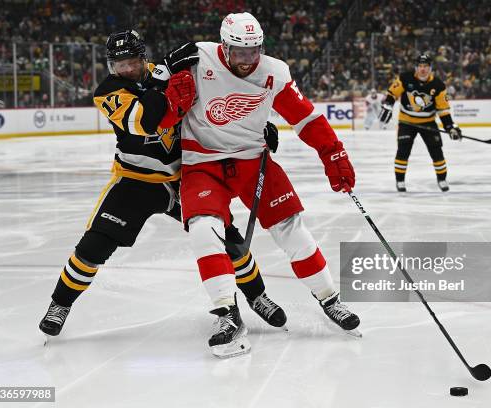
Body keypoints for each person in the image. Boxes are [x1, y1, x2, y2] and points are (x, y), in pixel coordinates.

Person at [38, 29, 286, 338]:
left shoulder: (171, 74)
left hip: (185, 178)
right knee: (94, 246)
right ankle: (59, 304)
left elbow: (218, 107)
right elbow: (145, 120)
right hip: (136, 181)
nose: (126, 70)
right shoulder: (109, 90)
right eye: (119, 65)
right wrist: (161, 80)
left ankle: (258, 296)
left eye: (131, 62)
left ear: (143, 58)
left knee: (229, 242)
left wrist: (258, 127)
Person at [165, 12, 361, 357]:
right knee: (204, 228)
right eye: (239, 53)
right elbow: (154, 101)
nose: (247, 61)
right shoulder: (197, 58)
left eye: (253, 52)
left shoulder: (274, 71)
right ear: (223, 46)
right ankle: (225, 311)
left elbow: (306, 117)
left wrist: (333, 153)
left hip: (254, 160)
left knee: (291, 228)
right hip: (201, 162)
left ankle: (329, 298)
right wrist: (168, 92)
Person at [378, 53, 462, 192]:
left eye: (426, 66)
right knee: (403, 151)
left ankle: (442, 179)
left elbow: (443, 110)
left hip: (428, 122)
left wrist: (450, 126)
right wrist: (388, 105)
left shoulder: (438, 85)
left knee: (436, 151)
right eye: (420, 66)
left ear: (430, 68)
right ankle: (400, 181)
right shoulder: (405, 78)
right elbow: (393, 93)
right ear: (416, 67)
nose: (423, 69)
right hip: (407, 122)